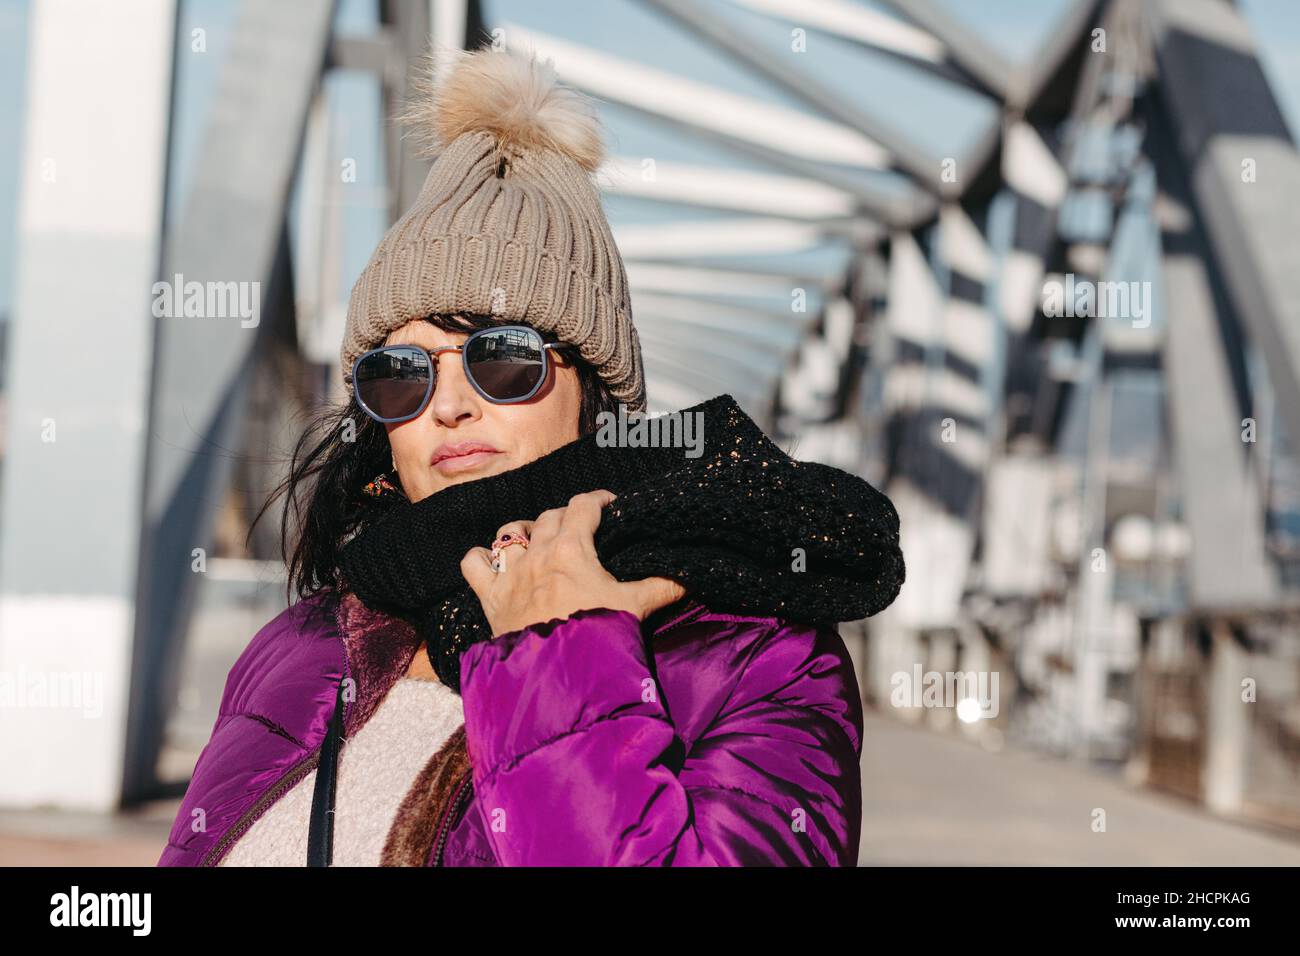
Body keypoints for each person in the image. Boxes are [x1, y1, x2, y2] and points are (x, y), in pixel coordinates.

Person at [157, 46, 904, 868]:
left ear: (596, 391)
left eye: (501, 359)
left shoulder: (752, 652)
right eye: (400, 375)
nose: (448, 404)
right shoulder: (302, 644)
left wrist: (562, 652)